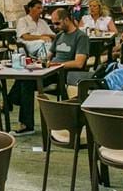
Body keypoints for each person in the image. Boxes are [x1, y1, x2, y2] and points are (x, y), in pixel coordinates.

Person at [8, 8, 88, 136]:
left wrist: (56, 65)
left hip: (63, 73)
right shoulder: (60, 36)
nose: (55, 27)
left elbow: (79, 63)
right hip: (51, 70)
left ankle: (16, 111)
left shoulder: (80, 37)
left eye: (57, 23)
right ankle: (14, 104)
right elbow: (49, 55)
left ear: (67, 20)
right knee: (24, 78)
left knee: (26, 84)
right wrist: (37, 62)